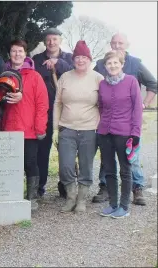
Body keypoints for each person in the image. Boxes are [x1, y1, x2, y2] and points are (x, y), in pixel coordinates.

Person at [92, 33, 157, 205]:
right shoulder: (100, 64)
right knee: (107, 160)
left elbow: (153, 84)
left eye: (120, 43)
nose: (117, 46)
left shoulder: (136, 64)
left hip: (128, 124)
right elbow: (91, 83)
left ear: (127, 44)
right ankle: (105, 187)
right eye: (113, 43)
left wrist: (144, 103)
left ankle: (137, 188)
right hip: (107, 125)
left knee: (131, 159)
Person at [52, 41, 104, 213]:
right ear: (73, 59)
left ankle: (81, 200)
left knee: (86, 165)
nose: (81, 60)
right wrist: (55, 129)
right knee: (65, 166)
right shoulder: (65, 77)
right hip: (67, 129)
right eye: (78, 57)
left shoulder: (98, 78)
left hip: (90, 129)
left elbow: (105, 105)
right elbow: (57, 104)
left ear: (89, 59)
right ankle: (71, 196)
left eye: (84, 57)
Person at [0, 40, 48, 211]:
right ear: (9, 54)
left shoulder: (34, 76)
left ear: (25, 54)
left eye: (20, 51)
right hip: (9, 127)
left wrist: (40, 127)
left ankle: (32, 197)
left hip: (29, 130)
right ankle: (13, 195)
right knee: (10, 164)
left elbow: (42, 103)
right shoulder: (3, 74)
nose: (17, 54)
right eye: (13, 51)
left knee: (30, 162)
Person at [97, 50, 142, 218]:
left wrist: (135, 133)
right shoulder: (102, 84)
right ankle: (113, 204)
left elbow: (137, 109)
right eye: (109, 63)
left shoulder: (131, 81)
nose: (113, 66)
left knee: (125, 170)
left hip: (124, 133)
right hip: (104, 133)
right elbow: (101, 106)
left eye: (116, 63)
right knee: (109, 169)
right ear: (105, 66)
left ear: (122, 64)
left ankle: (124, 206)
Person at [32, 28, 74, 198]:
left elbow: (75, 73)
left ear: (60, 40)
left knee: (67, 152)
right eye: (48, 39)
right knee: (42, 151)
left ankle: (66, 186)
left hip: (66, 112)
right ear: (44, 42)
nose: (52, 42)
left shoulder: (70, 59)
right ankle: (39, 187)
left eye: (55, 39)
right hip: (45, 113)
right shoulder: (36, 60)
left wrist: (58, 63)